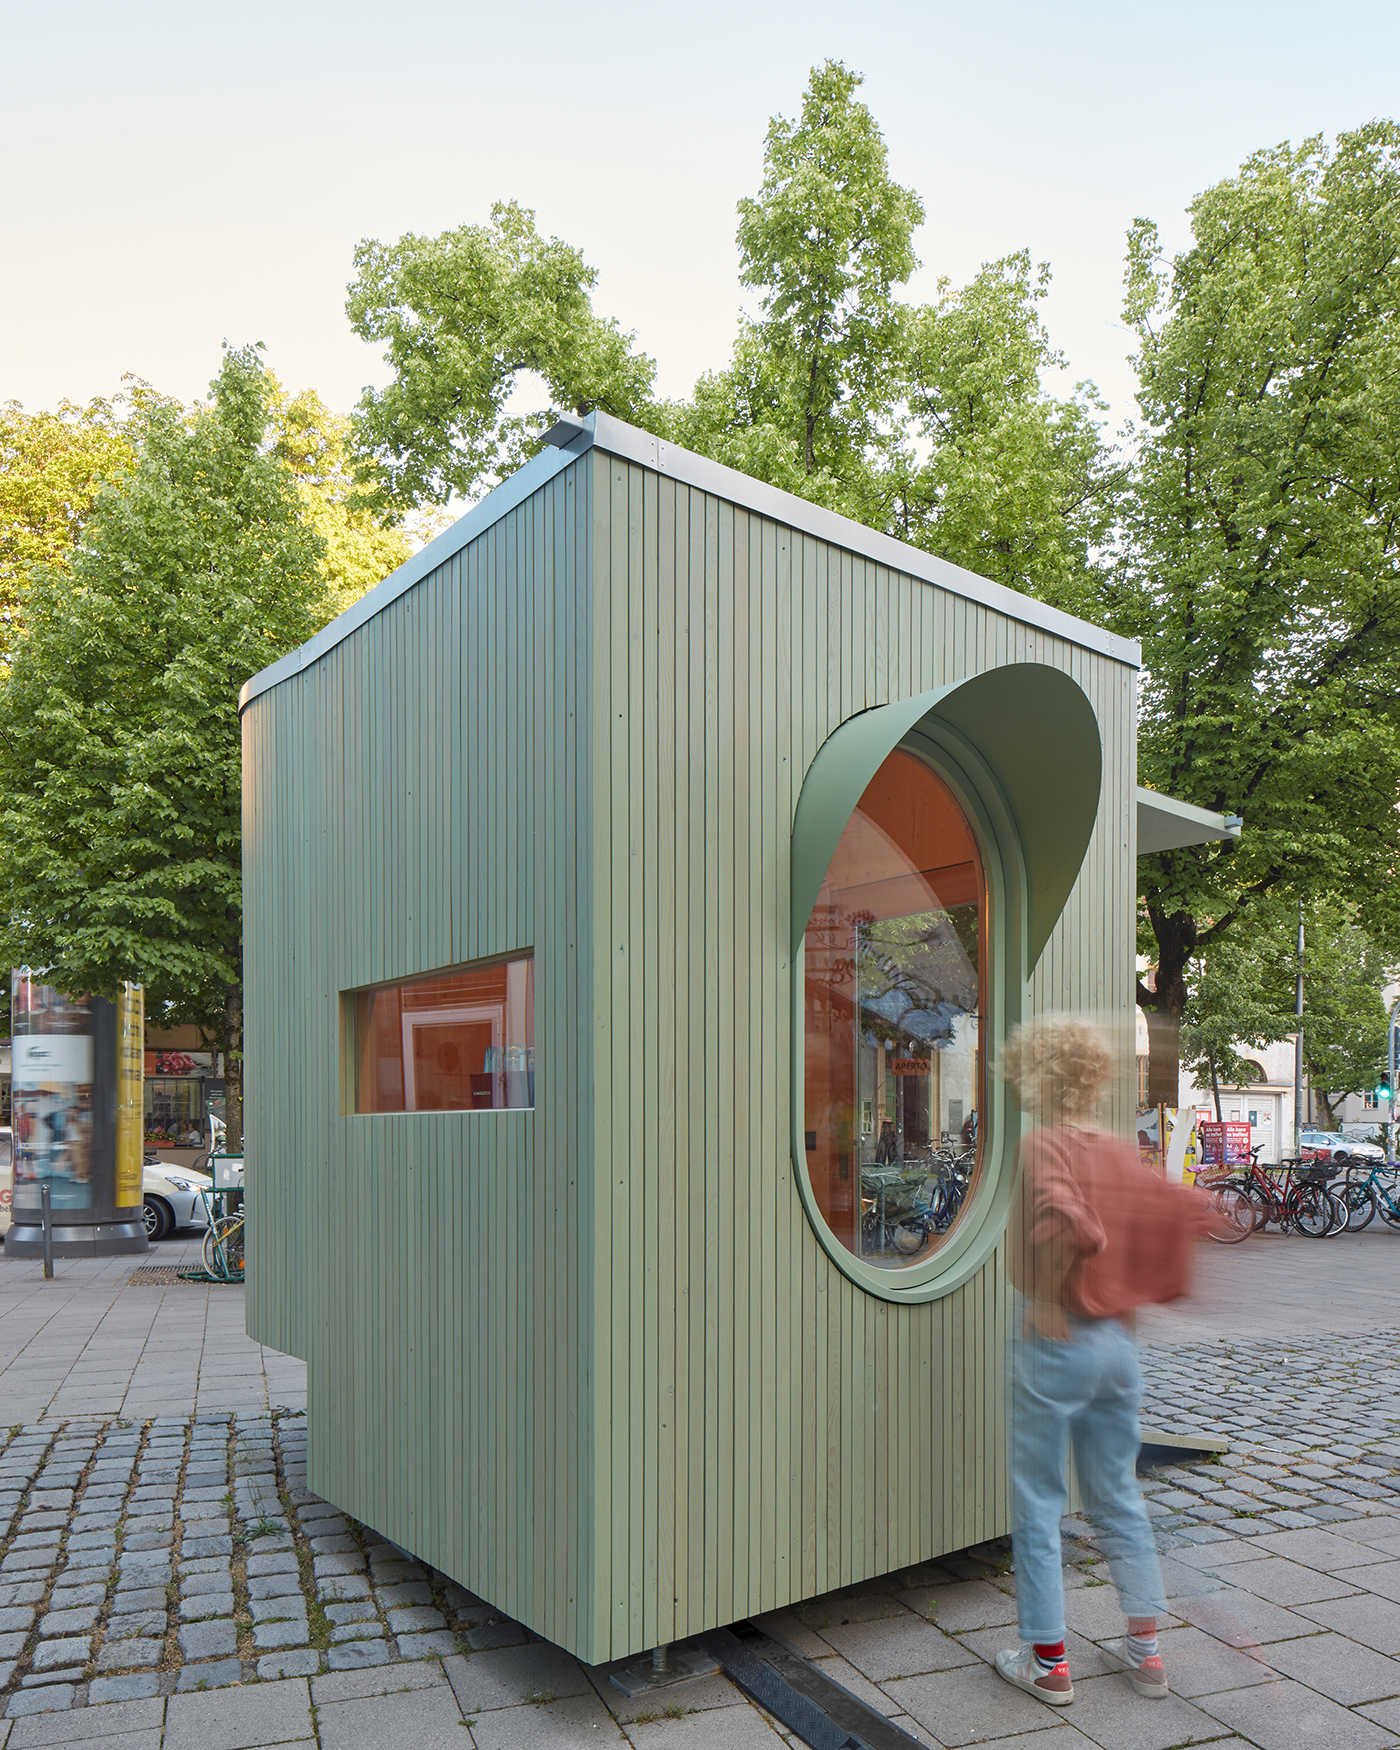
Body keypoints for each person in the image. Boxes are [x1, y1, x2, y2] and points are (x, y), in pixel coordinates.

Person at [994, 1013, 1206, 1707]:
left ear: (1034, 1073)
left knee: (1038, 1500)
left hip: (1060, 1341)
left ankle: (1048, 1662)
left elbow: (1068, 1218)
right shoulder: (1119, 1149)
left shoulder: (1041, 1143)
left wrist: (1053, 1293)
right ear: (1093, 1076)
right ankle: (1146, 1654)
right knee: (1118, 1494)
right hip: (1119, 1344)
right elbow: (1162, 1218)